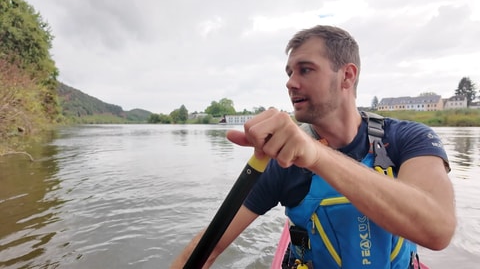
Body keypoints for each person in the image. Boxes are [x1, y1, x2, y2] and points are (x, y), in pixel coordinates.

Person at [171, 25, 456, 269]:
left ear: (347, 76)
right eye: (289, 72)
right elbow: (209, 245)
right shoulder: (283, 161)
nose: (290, 83)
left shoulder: (410, 138)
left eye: (305, 70)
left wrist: (318, 156)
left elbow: (438, 231)